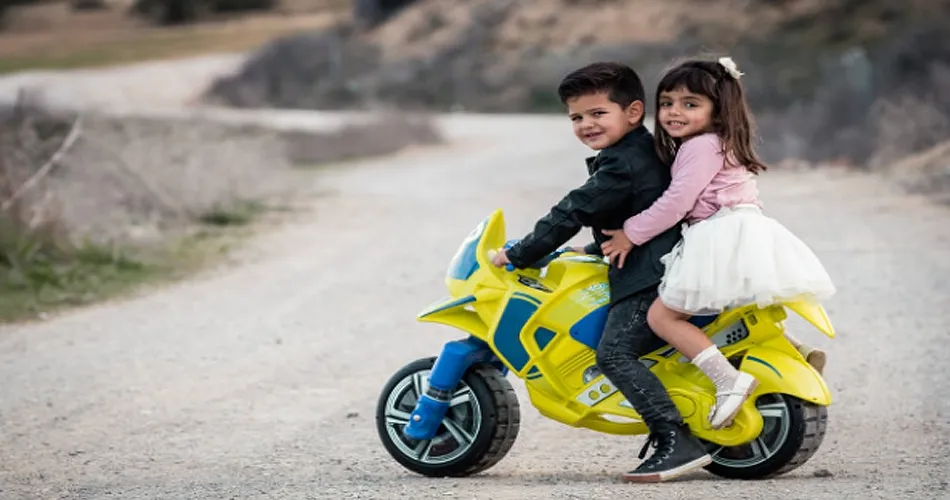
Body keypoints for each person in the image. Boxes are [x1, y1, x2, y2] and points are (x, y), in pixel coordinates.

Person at [490, 61, 713, 483]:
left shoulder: (619, 164)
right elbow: (639, 209)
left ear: (631, 112)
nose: (586, 124)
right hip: (664, 260)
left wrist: (519, 253)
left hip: (649, 276)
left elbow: (572, 209)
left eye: (597, 114)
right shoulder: (641, 151)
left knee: (613, 353)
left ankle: (673, 437)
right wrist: (591, 248)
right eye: (576, 117)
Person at [600, 57, 836, 430]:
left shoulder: (700, 146)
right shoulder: (717, 142)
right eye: (667, 103)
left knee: (663, 316)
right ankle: (797, 352)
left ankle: (728, 381)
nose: (674, 112)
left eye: (690, 104)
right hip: (744, 226)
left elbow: (677, 201)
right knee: (734, 308)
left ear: (718, 110)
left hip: (717, 232)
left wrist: (633, 231)